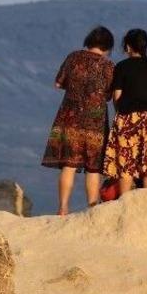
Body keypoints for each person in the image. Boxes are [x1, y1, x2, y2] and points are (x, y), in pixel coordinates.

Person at [41, 25, 115, 215]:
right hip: (96, 123)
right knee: (93, 168)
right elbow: (109, 95)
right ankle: (93, 208)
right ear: (107, 46)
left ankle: (63, 207)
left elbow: (58, 83)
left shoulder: (73, 57)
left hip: (70, 119)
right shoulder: (108, 66)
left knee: (69, 165)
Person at [103, 29, 147, 196]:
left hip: (127, 118)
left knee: (125, 165)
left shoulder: (122, 67)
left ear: (128, 47)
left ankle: (124, 201)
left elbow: (116, 97)